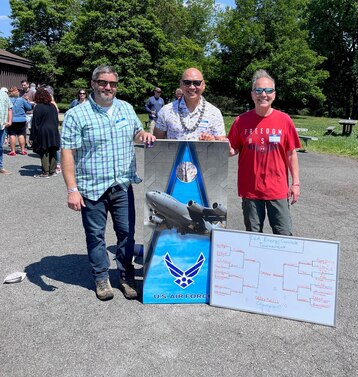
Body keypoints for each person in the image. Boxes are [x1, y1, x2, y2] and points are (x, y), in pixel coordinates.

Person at [61, 64, 155, 301]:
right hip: (92, 187)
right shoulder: (77, 114)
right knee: (95, 235)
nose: (108, 87)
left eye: (112, 83)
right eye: (103, 82)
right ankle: (101, 277)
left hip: (122, 185)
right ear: (93, 83)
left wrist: (141, 135)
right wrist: (72, 190)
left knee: (126, 234)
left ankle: (126, 276)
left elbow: (135, 132)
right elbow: (68, 153)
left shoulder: (126, 108)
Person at [228, 69, 301, 236]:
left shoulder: (284, 120)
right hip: (251, 190)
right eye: (259, 90)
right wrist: (223, 147)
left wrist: (295, 183)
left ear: (274, 95)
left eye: (268, 90)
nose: (264, 94)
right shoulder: (241, 121)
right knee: (253, 236)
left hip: (277, 189)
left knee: (283, 235)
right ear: (252, 94)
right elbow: (233, 150)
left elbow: (291, 154)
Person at [154, 67, 226, 140]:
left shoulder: (215, 113)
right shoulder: (166, 111)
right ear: (181, 84)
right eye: (187, 82)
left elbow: (221, 146)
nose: (192, 87)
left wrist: (211, 140)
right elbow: (156, 145)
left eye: (197, 83)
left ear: (203, 85)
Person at [29, 88, 60, 178]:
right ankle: (52, 170)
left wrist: (32, 137)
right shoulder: (52, 106)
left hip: (43, 131)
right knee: (53, 149)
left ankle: (45, 171)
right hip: (53, 130)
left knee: (44, 150)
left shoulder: (38, 107)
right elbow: (56, 120)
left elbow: (35, 123)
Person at [7, 86, 33, 156]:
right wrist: (27, 101)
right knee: (21, 135)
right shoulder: (21, 100)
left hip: (11, 120)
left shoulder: (7, 100)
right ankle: (23, 150)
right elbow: (29, 107)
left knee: (12, 135)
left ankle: (13, 151)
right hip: (21, 120)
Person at [0, 88, 13, 174]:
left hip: (2, 125)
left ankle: (0, 167)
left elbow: (10, 108)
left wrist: (10, 121)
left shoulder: (4, 94)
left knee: (0, 147)